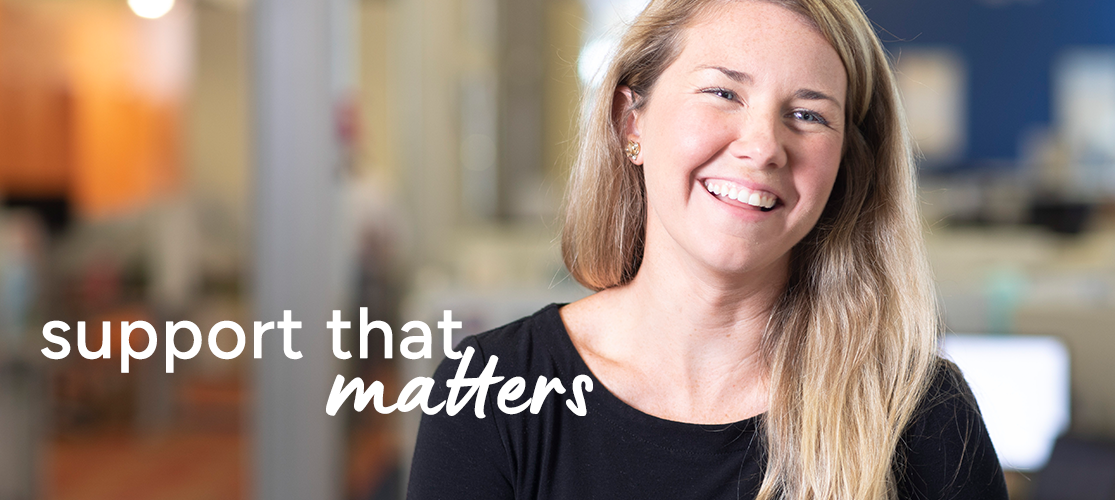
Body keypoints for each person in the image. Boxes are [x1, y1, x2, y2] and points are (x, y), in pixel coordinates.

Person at [407, 0, 1008, 498]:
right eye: (723, 93)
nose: (763, 146)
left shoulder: (923, 416)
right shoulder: (492, 391)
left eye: (807, 114)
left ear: (845, 168)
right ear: (630, 122)